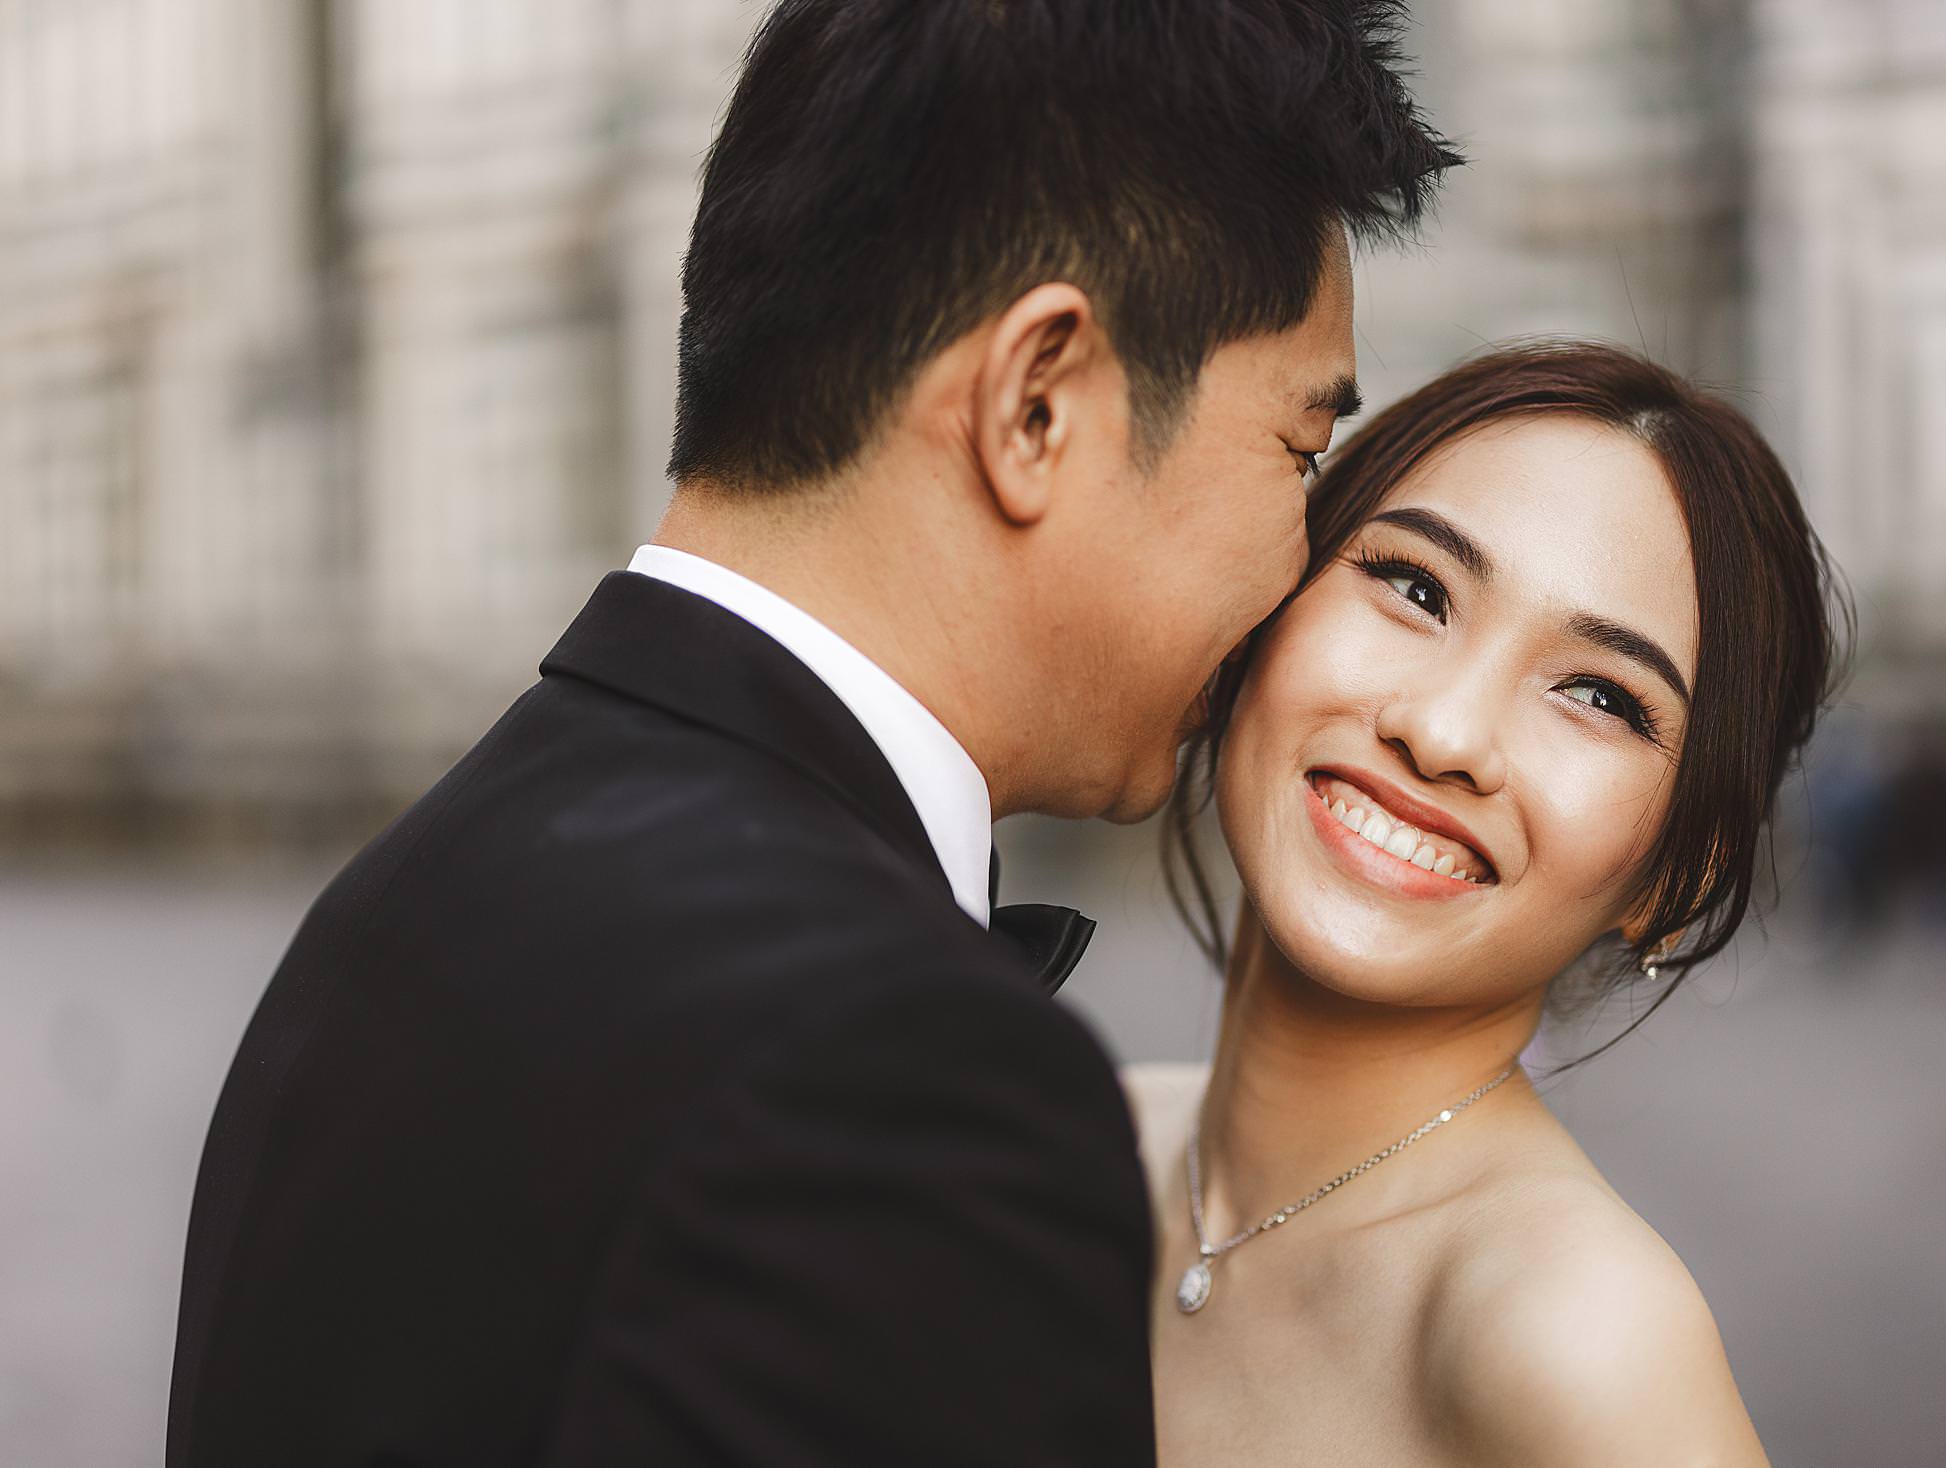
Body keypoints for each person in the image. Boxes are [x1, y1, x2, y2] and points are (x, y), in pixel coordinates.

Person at [165, 3, 1456, 1464]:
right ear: (1038, 402)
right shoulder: (903, 1080)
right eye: (1298, 449)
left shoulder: (410, 885)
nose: (1299, 569)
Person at [1127, 342, 1842, 1466]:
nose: (1444, 733)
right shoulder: (1073, 1143)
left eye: (1600, 696)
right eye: (1416, 587)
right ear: (1267, 599)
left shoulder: (1581, 1336)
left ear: (1677, 877)